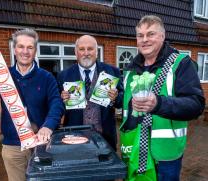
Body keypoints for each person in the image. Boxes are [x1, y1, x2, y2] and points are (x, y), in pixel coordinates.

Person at [0, 28, 64, 181]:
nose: (25, 51)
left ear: (35, 50)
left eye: (30, 47)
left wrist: (48, 126)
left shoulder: (46, 77)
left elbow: (57, 104)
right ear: (14, 49)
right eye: (21, 46)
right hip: (13, 146)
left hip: (41, 144)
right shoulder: (3, 75)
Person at [120, 15, 205, 181]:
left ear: (162, 36)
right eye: (140, 35)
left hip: (165, 155)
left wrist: (158, 103)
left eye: (150, 34)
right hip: (132, 146)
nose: (144, 40)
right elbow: (127, 104)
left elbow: (196, 105)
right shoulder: (130, 69)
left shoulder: (180, 63)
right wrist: (116, 98)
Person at [57, 35, 123, 150]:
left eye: (90, 49)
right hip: (74, 138)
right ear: (76, 52)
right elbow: (57, 106)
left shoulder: (112, 72)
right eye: (82, 49)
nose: (86, 53)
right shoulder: (64, 75)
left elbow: (122, 101)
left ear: (96, 52)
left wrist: (116, 97)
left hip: (105, 138)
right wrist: (62, 99)